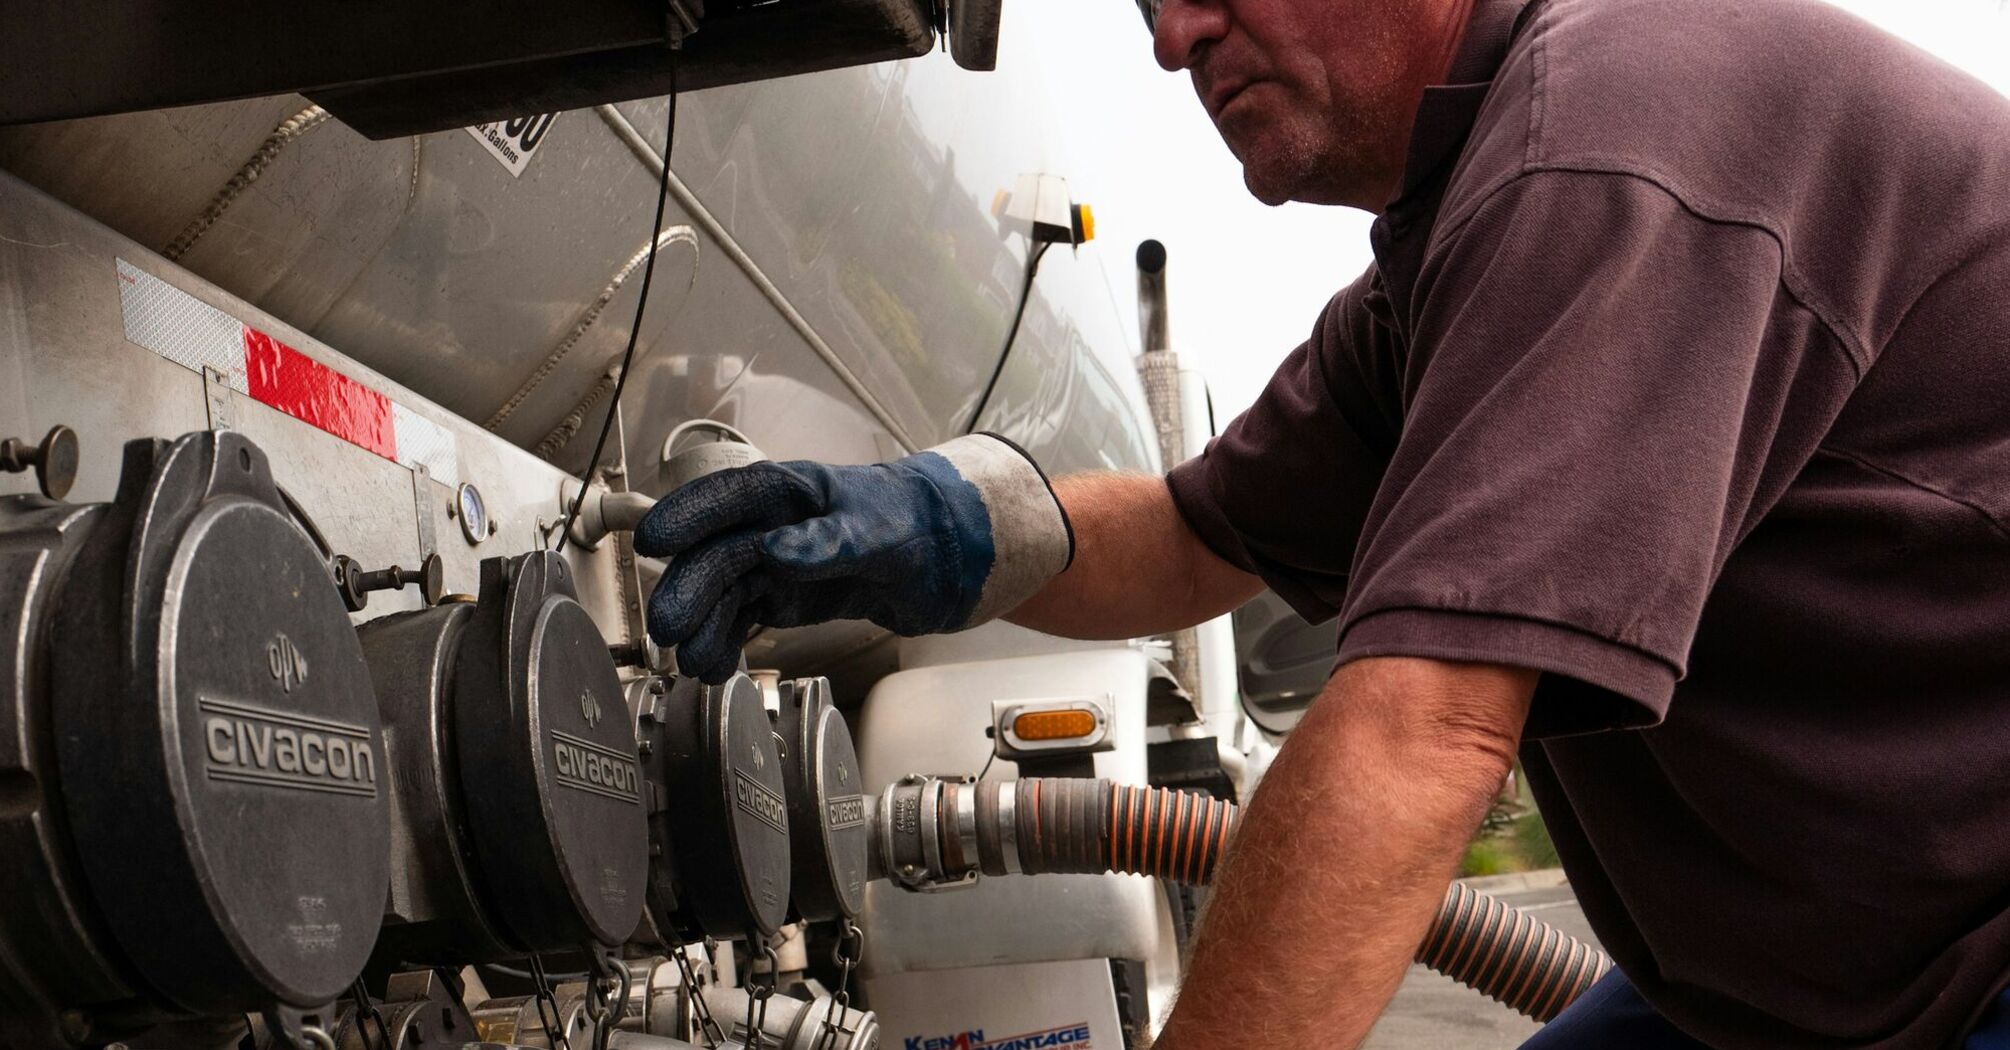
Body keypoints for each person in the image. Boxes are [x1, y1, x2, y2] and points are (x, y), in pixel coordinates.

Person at [633, 0, 2010, 1045]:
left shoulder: (1609, 146)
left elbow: (1422, 727)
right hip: (1819, 994)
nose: (1173, 37)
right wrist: (937, 523)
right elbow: (1189, 532)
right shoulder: (1447, 256)